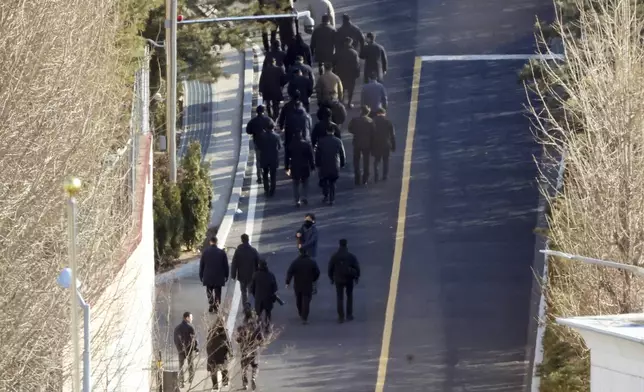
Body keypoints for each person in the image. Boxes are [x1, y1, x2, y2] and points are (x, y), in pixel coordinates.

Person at [328, 238, 361, 323]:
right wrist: (357, 277)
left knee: (340, 297)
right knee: (349, 296)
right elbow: (357, 267)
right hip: (349, 278)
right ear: (346, 245)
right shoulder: (350, 256)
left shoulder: (335, 256)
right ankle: (349, 315)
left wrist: (331, 278)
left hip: (338, 279)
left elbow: (330, 268)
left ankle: (341, 316)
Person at [286, 247, 321, 324]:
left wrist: (287, 282)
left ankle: (300, 312)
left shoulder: (295, 262)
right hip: (308, 284)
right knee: (307, 299)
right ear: (307, 252)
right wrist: (313, 279)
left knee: (298, 299)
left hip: (298, 284)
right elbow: (317, 272)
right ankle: (305, 316)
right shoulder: (311, 262)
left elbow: (290, 272)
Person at [315, 124, 346, 205]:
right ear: (334, 131)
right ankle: (332, 199)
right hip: (335, 164)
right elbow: (342, 154)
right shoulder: (338, 141)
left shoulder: (321, 141)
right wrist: (342, 163)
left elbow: (317, 154)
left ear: (326, 131)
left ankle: (326, 195)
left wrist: (317, 163)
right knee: (332, 182)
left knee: (324, 180)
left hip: (324, 164)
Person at [282, 91, 312, 171]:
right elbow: (309, 126)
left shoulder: (288, 110)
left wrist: (282, 127)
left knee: (287, 149)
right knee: (307, 149)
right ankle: (309, 165)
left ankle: (287, 166)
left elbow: (283, 121)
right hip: (305, 136)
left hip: (292, 136)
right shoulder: (306, 115)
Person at [235, 306, 263, 390]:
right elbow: (261, 339)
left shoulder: (241, 327)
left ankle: (245, 384)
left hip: (244, 350)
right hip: (254, 349)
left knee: (244, 367)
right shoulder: (256, 327)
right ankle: (253, 377)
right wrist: (259, 344)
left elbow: (238, 339)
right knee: (255, 365)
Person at [246, 105, 275, 184]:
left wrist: (254, 132)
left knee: (258, 161)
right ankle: (268, 175)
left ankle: (259, 177)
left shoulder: (252, 121)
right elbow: (273, 127)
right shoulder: (268, 120)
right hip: (267, 144)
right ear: (264, 111)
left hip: (258, 143)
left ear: (256, 112)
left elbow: (248, 131)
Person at [199, 236, 229, 313]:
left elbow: (202, 265)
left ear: (210, 242)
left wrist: (201, 275)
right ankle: (216, 305)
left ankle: (211, 303)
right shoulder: (222, 252)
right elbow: (226, 265)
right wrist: (226, 275)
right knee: (218, 291)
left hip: (208, 276)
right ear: (217, 242)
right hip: (218, 276)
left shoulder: (205, 252)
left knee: (209, 291)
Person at [348, 105, 375, 185]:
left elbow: (350, 129)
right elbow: (373, 133)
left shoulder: (355, 120)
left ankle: (357, 178)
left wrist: (356, 132)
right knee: (366, 161)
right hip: (367, 144)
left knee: (356, 161)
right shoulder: (370, 121)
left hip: (357, 143)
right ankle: (365, 179)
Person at [287, 132, 316, 207]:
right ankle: (304, 196)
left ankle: (297, 200)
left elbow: (287, 157)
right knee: (305, 182)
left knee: (295, 184)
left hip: (294, 166)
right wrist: (312, 166)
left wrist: (287, 167)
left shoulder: (291, 145)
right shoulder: (306, 144)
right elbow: (311, 157)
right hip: (305, 166)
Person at [231, 234, 260, 305]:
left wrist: (233, 275)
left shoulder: (238, 251)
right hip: (252, 275)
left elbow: (234, 264)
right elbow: (259, 261)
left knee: (243, 292)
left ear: (241, 240)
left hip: (242, 276)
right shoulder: (253, 250)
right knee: (250, 291)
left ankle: (245, 308)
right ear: (248, 240)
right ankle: (250, 306)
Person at [332, 36, 361, 108]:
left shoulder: (339, 52)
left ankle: (341, 102)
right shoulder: (354, 53)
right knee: (351, 89)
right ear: (351, 43)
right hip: (351, 74)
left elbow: (333, 62)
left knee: (341, 88)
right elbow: (357, 65)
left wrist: (334, 71)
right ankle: (349, 103)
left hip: (341, 73)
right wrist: (357, 73)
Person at [249, 259, 279, 326]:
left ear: (259, 265)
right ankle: (267, 327)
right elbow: (275, 288)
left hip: (259, 299)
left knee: (258, 314)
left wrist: (255, 295)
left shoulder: (255, 275)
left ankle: (258, 328)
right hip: (268, 298)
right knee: (268, 313)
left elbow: (252, 288)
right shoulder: (271, 275)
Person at [206, 318, 232, 391]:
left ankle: (215, 385)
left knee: (213, 371)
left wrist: (209, 354)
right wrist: (231, 353)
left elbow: (207, 344)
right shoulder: (224, 332)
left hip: (212, 354)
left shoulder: (211, 332)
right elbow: (229, 344)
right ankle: (225, 382)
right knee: (224, 369)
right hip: (222, 353)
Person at [174, 312, 198, 388]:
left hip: (181, 350)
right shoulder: (190, 327)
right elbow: (194, 339)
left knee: (181, 366)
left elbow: (176, 340)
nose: (192, 319)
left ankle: (181, 382)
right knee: (190, 365)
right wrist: (196, 348)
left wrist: (179, 349)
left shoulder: (177, 328)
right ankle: (190, 380)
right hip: (189, 349)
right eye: (191, 317)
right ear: (187, 318)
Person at [372, 107, 396, 182]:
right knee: (386, 160)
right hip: (386, 144)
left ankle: (376, 175)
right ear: (384, 113)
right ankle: (385, 176)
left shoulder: (373, 121)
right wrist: (393, 146)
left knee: (376, 160)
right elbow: (392, 135)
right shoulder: (388, 122)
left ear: (377, 113)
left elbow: (370, 134)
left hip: (376, 144)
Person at [258, 125, 282, 196]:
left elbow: (259, 146)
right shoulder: (276, 136)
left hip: (264, 157)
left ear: (266, 128)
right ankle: (272, 190)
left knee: (265, 173)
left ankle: (266, 188)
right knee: (273, 175)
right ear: (273, 128)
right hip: (273, 158)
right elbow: (280, 146)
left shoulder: (262, 136)